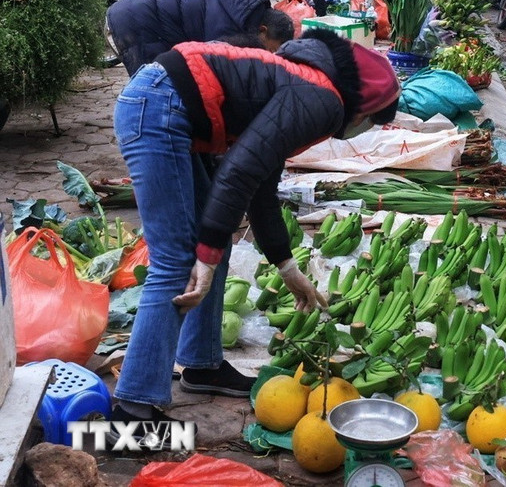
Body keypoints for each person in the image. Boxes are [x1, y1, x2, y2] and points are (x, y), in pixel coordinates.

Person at [109, 29, 401, 443]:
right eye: (372, 121)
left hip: (167, 103)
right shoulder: (322, 100)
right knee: (178, 260)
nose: (363, 128)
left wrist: (285, 265)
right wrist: (205, 259)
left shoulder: (308, 87)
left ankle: (201, 364)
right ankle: (131, 411)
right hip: (159, 106)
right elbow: (240, 173)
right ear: (364, 108)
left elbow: (261, 181)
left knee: (212, 245)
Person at [106, 0, 294, 77]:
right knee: (152, 83)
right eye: (271, 49)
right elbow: (210, 66)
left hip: (135, 13)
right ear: (263, 30)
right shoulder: (228, 27)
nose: (270, 54)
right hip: (133, 23)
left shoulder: (242, 10)